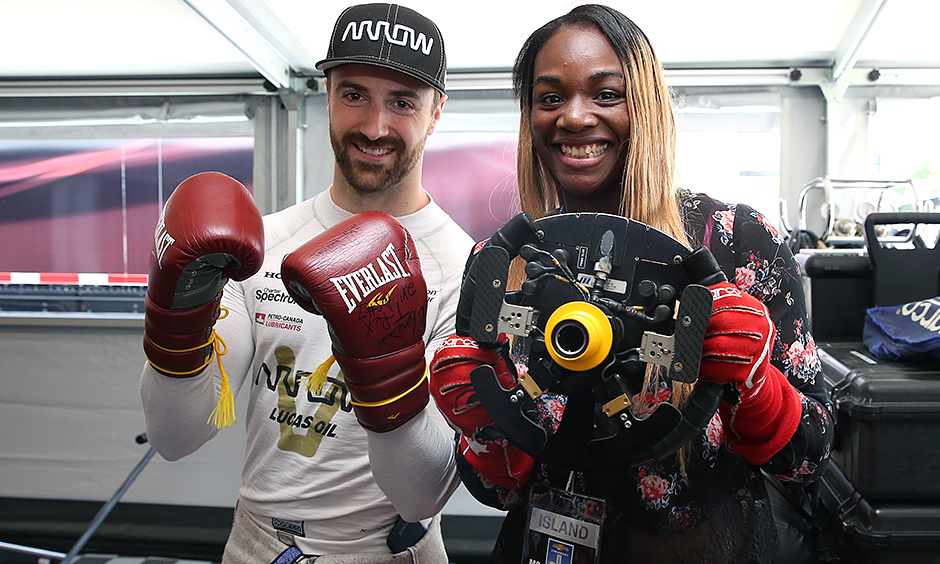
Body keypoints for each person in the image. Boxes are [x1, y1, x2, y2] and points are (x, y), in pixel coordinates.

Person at [428, 5, 834, 564]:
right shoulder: (506, 264)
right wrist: (482, 423)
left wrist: (757, 383)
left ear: (645, 106)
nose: (573, 117)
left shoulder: (735, 243)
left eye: (606, 94)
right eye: (550, 98)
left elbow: (810, 461)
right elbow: (495, 491)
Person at [139, 4, 472, 562]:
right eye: (354, 94)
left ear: (436, 111)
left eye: (402, 102)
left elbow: (421, 495)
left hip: (389, 551)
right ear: (326, 92)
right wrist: (177, 318)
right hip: (256, 542)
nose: (374, 126)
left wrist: (387, 369)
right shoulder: (265, 241)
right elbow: (176, 436)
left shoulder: (462, 267)